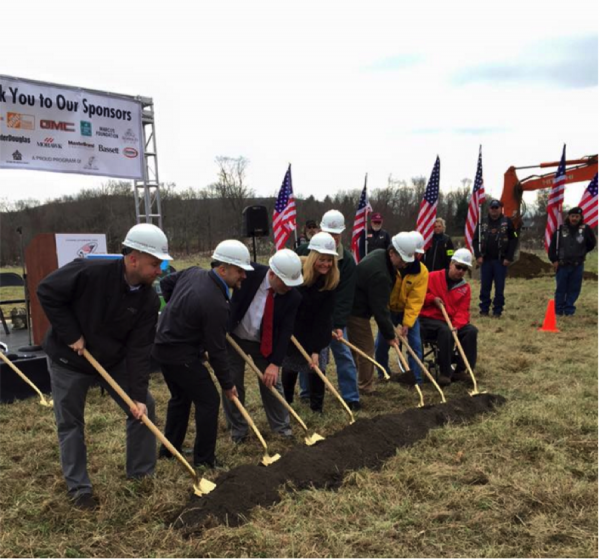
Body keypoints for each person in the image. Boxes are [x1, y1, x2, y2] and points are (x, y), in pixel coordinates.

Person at [37, 224, 172, 511]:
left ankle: (140, 474)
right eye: (154, 263)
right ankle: (79, 489)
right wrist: (71, 333)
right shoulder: (90, 271)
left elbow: (138, 350)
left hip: (112, 362)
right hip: (68, 359)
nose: (159, 270)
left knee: (143, 408)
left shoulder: (148, 299)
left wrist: (136, 394)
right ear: (133, 258)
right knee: (70, 423)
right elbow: (47, 291)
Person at [152, 240, 251, 469]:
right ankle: (204, 460)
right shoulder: (215, 303)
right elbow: (217, 351)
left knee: (180, 398)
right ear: (222, 269)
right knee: (209, 400)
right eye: (239, 271)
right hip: (180, 355)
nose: (243, 277)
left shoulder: (194, 272)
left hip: (161, 347)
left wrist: (178, 311)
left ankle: (170, 449)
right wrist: (228, 384)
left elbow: (167, 284)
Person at [222, 249, 303, 443]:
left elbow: (285, 332)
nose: (289, 287)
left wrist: (275, 364)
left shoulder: (293, 297)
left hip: (264, 343)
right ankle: (238, 431)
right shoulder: (248, 274)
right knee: (232, 382)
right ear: (273, 274)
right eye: (285, 282)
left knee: (272, 383)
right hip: (234, 336)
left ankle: (282, 430)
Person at [297, 209, 361, 411]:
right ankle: (306, 393)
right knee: (305, 353)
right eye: (328, 233)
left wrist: (338, 324)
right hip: (307, 313)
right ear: (320, 230)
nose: (332, 238)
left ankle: (351, 396)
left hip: (332, 314)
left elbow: (344, 296)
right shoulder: (306, 250)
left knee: (343, 353)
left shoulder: (347, 260)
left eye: (336, 234)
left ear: (342, 234)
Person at [347, 232, 417, 394]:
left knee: (355, 349)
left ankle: (352, 382)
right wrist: (390, 335)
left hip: (354, 305)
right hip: (356, 311)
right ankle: (365, 387)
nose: (404, 264)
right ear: (392, 253)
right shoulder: (381, 275)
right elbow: (380, 309)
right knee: (366, 349)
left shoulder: (380, 254)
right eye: (403, 260)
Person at [282, 232, 340, 413]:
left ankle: (317, 409)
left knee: (317, 369)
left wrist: (315, 350)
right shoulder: (297, 276)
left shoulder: (329, 282)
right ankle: (286, 405)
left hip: (318, 331)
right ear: (313, 257)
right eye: (322, 259)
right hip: (294, 330)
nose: (326, 264)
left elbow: (323, 318)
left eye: (329, 260)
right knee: (290, 367)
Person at [375, 231, 429, 385]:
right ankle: (383, 373)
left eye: (417, 254)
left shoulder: (422, 272)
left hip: (407, 311)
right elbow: (382, 292)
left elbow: (416, 300)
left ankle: (415, 379)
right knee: (382, 343)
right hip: (389, 310)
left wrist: (407, 323)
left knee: (416, 345)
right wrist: (385, 315)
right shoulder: (391, 266)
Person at [419, 248, 478, 386]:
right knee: (445, 330)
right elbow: (419, 296)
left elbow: (463, 311)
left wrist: (457, 325)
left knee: (471, 331)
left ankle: (461, 370)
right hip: (429, 318)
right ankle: (445, 373)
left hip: (451, 321)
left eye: (464, 269)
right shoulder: (432, 277)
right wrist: (432, 299)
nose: (460, 271)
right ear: (451, 263)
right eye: (458, 267)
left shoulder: (465, 287)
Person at [473, 199, 518, 317]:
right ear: (489, 209)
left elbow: (514, 239)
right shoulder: (482, 222)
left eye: (496, 207)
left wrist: (509, 257)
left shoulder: (507, 222)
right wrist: (478, 255)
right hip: (486, 260)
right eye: (492, 208)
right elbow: (475, 240)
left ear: (500, 209)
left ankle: (497, 310)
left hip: (501, 261)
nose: (494, 210)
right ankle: (484, 309)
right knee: (485, 287)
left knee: (499, 287)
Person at [548, 206, 597, 316]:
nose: (574, 218)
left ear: (580, 217)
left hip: (577, 265)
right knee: (561, 288)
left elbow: (592, 244)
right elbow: (552, 246)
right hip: (562, 264)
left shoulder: (585, 229)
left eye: (577, 216)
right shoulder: (561, 229)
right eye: (572, 216)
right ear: (568, 217)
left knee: (574, 288)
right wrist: (554, 260)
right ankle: (558, 310)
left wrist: (582, 251)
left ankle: (569, 310)